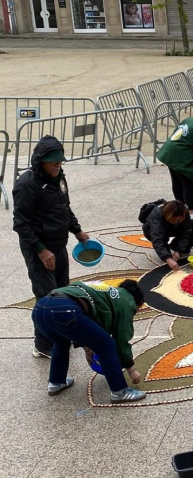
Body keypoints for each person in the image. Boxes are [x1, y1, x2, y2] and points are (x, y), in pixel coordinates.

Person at [13, 136, 89, 358]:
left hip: (58, 245)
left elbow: (65, 207)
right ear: (40, 161)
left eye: (60, 161)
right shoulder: (27, 184)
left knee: (63, 292)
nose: (57, 165)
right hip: (38, 248)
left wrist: (77, 230)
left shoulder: (59, 177)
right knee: (47, 297)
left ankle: (60, 335)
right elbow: (20, 224)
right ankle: (42, 344)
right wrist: (41, 250)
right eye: (53, 162)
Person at [31, 279, 147, 404]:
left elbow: (86, 320)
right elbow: (121, 339)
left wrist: (87, 347)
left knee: (61, 343)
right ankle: (120, 392)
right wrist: (131, 369)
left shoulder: (105, 290)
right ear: (137, 301)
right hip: (66, 311)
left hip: (40, 309)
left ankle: (56, 382)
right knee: (107, 345)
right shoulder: (127, 301)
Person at [142, 200, 193, 271]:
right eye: (174, 219)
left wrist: (179, 251)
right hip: (151, 230)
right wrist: (167, 259)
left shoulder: (183, 211)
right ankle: (168, 250)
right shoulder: (157, 215)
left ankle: (176, 246)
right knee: (167, 257)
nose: (176, 221)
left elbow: (186, 231)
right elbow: (157, 238)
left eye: (178, 220)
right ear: (168, 215)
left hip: (172, 227)